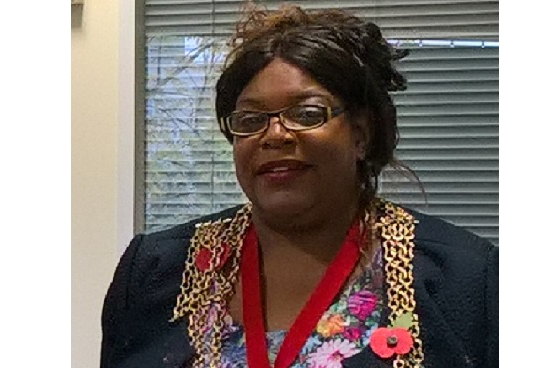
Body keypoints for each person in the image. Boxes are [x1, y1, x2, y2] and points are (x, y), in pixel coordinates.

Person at [101, 4, 498, 368]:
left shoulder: (465, 279)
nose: (275, 135)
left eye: (306, 113)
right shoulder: (154, 271)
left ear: (360, 134)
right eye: (251, 120)